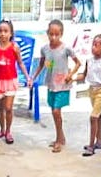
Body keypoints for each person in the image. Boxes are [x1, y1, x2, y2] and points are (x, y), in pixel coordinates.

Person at [31, 19, 81, 153]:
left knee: (56, 111)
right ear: (47, 33)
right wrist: (33, 77)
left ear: (61, 34)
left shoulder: (66, 49)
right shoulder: (45, 49)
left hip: (62, 85)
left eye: (56, 34)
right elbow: (42, 65)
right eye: (51, 34)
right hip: (51, 84)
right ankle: (61, 136)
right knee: (54, 112)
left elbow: (78, 63)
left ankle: (59, 139)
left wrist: (71, 74)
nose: (53, 37)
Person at [0, 19, 29, 144]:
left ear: (11, 33)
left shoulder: (14, 48)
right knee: (0, 108)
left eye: (6, 31)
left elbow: (20, 63)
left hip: (11, 81)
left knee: (8, 107)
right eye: (0, 31)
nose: (3, 33)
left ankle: (8, 131)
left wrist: (27, 77)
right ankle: (1, 130)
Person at [75, 33, 101, 156]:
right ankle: (99, 141)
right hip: (92, 90)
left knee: (93, 117)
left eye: (96, 45)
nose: (93, 48)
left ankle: (91, 145)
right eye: (93, 45)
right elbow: (83, 75)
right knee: (98, 115)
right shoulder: (89, 60)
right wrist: (71, 78)